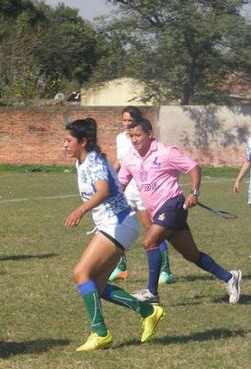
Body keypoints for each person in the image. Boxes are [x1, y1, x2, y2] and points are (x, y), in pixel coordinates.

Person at [63, 118, 164, 351]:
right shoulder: (82, 162)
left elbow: (103, 190)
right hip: (114, 225)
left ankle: (100, 333)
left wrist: (80, 210)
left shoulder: (94, 162)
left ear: (83, 141)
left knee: (81, 273)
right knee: (96, 285)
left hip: (118, 224)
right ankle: (148, 311)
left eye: (68, 140)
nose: (65, 145)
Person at [118, 118, 242, 304]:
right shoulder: (130, 158)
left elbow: (193, 167)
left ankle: (152, 293)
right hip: (157, 211)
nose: (134, 139)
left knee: (150, 241)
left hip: (173, 205)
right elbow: (121, 182)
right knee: (191, 254)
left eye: (138, 135)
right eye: (131, 136)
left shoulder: (166, 152)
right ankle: (229, 278)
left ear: (149, 134)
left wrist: (194, 193)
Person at [110, 106, 175, 284]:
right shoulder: (120, 138)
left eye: (129, 121)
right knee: (116, 227)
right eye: (123, 120)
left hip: (141, 192)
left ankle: (166, 270)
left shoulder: (143, 139)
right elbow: (120, 161)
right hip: (124, 191)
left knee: (152, 233)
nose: (126, 124)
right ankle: (121, 267)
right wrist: (112, 181)